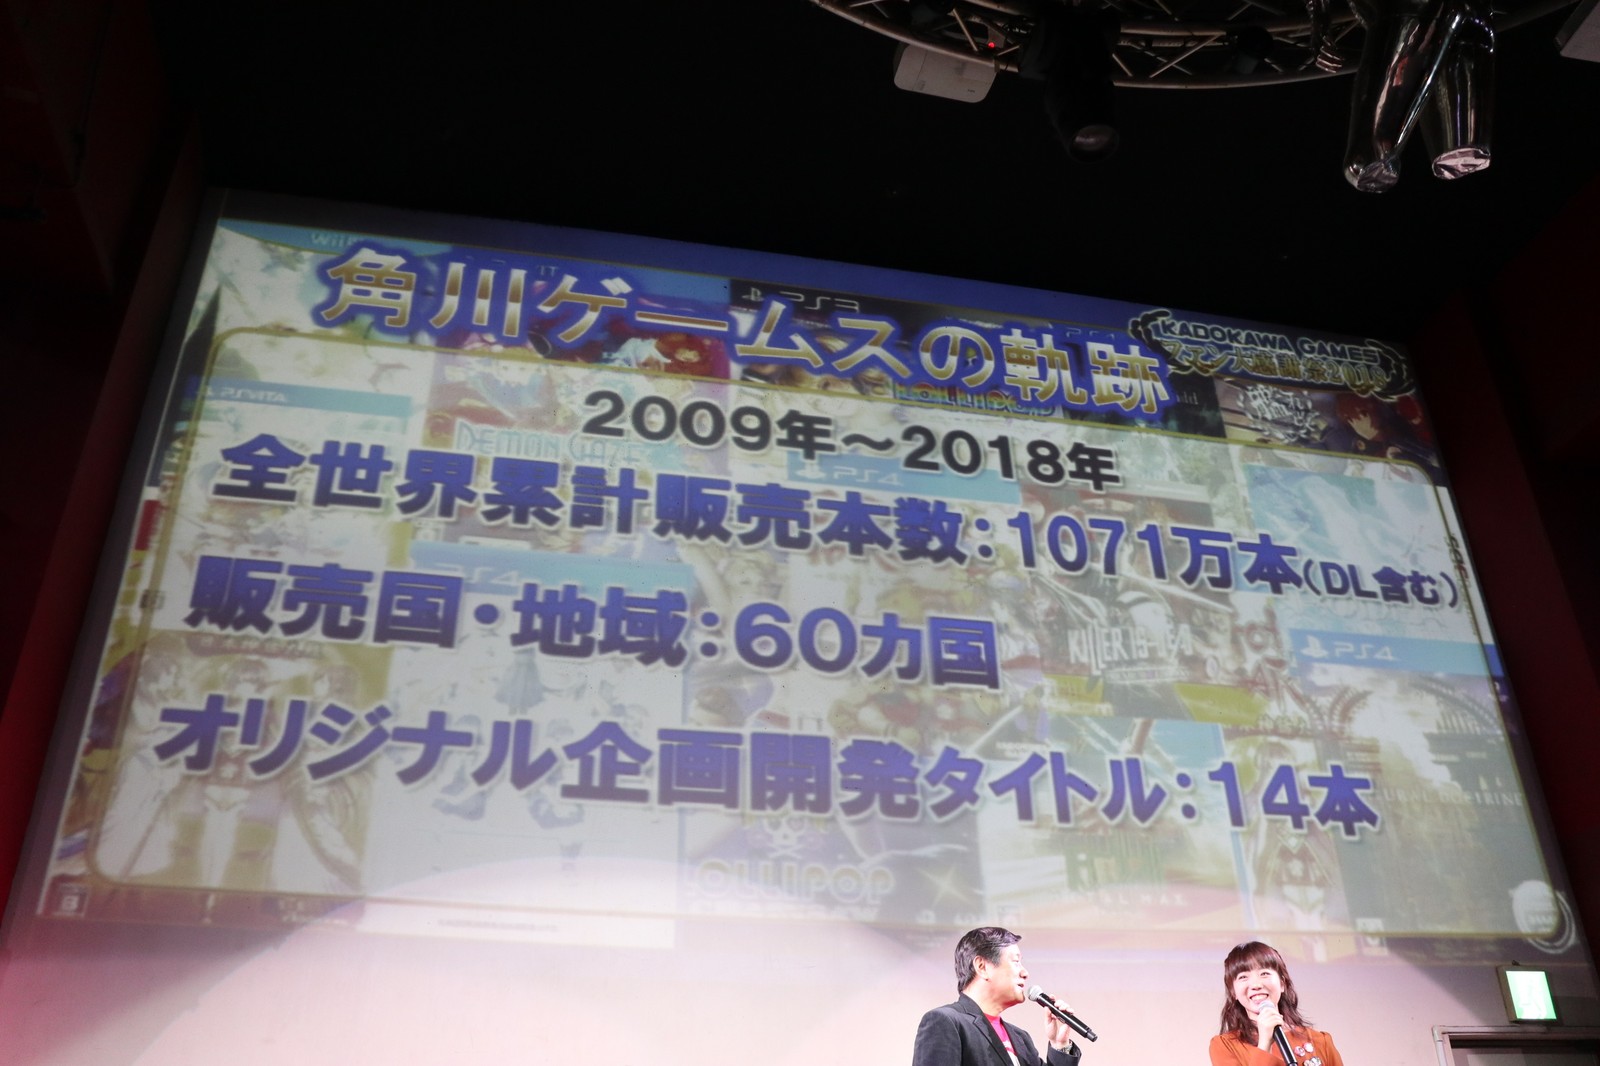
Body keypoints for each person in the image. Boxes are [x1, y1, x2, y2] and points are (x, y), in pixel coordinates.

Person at [913, 927, 1083, 1066]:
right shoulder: (946, 1022)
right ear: (982, 967)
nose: (1025, 973)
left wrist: (1060, 1045)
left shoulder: (1020, 1038)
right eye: (1016, 962)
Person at [1209, 941, 1345, 1066]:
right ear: (1233, 992)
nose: (1256, 985)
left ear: (1282, 984)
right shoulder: (1225, 1046)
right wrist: (1264, 1043)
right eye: (1243, 977)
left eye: (1264, 973)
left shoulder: (1319, 1041)